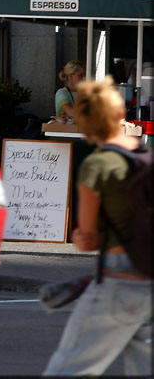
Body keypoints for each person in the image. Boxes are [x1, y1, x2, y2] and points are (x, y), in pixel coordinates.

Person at [43, 76, 152, 376]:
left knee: (69, 367)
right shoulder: (147, 157)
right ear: (119, 114)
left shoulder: (97, 165)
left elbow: (88, 239)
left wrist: (80, 235)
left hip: (120, 279)